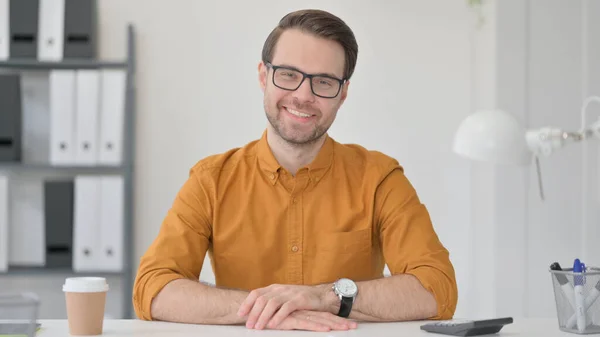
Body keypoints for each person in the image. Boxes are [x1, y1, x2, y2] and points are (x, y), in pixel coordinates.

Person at [133, 8, 458, 332]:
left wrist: (324, 297)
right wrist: (268, 309)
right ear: (263, 76)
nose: (304, 95)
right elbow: (153, 289)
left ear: (342, 94)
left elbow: (436, 289)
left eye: (324, 81)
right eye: (288, 74)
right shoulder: (211, 180)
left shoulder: (380, 179)